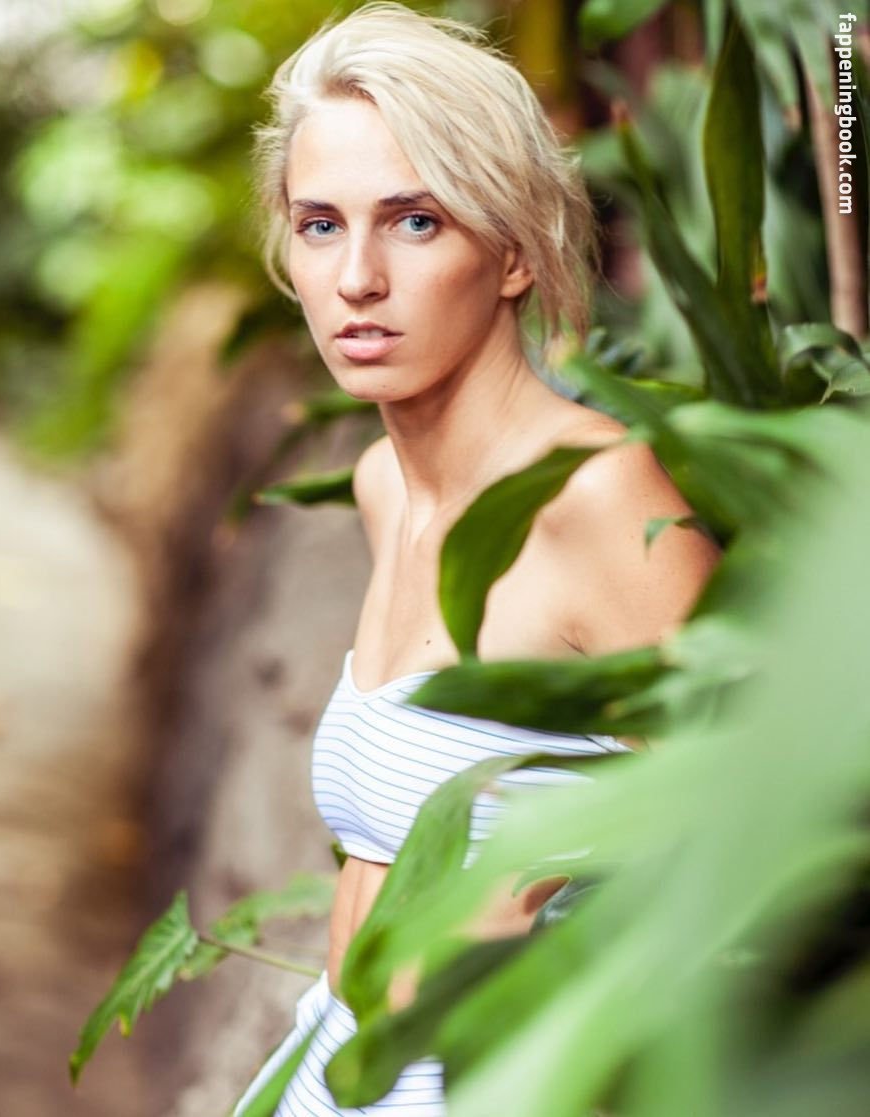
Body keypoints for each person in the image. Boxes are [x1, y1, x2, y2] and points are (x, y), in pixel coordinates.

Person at [235, 3, 721, 1114]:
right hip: (331, 1066)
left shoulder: (595, 500)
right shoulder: (383, 484)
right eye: (319, 224)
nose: (356, 277)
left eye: (414, 221)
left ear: (509, 251)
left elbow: (762, 866)